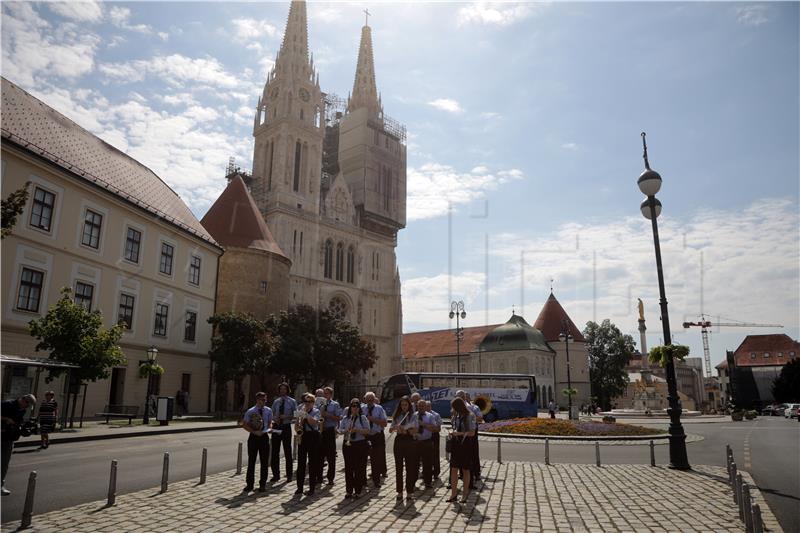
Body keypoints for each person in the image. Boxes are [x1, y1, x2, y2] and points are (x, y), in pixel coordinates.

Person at [1, 394, 36, 496]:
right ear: (24, 400)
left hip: (9, 438)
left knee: (4, 464)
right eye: (27, 405)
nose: (27, 408)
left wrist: (23, 429)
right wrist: (6, 419)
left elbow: (17, 423)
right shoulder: (7, 404)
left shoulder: (22, 410)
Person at [338, 398, 370, 498]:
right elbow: (340, 429)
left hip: (359, 444)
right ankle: (349, 491)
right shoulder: (345, 418)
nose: (354, 409)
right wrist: (344, 430)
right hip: (348, 444)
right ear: (350, 408)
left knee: (358, 468)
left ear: (359, 408)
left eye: (356, 406)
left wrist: (358, 430)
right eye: (353, 406)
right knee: (348, 468)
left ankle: (358, 491)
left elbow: (367, 431)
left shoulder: (363, 418)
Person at [241, 392, 273, 492]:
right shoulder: (250, 411)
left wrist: (270, 428)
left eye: (265, 399)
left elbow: (270, 422)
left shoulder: (268, 410)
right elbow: (244, 424)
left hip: (264, 437)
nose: (264, 401)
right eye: (262, 400)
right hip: (254, 437)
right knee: (251, 461)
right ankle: (249, 484)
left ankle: (262, 484)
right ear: (257, 400)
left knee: (264, 462)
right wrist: (254, 432)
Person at [447, 397, 476, 503]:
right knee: (453, 468)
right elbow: (456, 428)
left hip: (466, 445)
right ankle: (453, 494)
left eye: (453, 407)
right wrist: (452, 432)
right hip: (456, 444)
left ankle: (464, 495)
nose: (452, 409)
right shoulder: (456, 416)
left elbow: (472, 433)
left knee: (465, 469)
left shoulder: (470, 415)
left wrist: (458, 433)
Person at [389, 396, 418, 500]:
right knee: (398, 467)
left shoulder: (413, 415)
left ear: (409, 405)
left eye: (406, 405)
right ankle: (400, 491)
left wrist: (407, 431)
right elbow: (390, 430)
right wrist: (395, 428)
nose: (404, 407)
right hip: (399, 441)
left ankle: (409, 491)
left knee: (410, 467)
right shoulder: (397, 415)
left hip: (409, 441)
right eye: (402, 405)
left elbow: (415, 430)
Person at [294, 393, 321, 496]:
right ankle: (299, 487)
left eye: (309, 402)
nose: (307, 404)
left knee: (312, 463)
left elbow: (315, 423)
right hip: (303, 436)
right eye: (305, 401)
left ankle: (311, 488)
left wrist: (306, 414)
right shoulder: (300, 411)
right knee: (301, 463)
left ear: (313, 403)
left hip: (313, 436)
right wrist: (298, 428)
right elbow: (296, 426)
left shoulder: (316, 411)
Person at [270, 383, 297, 482]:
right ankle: (275, 475)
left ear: (287, 390)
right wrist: (274, 419)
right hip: (277, 427)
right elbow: (272, 413)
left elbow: (296, 414)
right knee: (274, 451)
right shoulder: (276, 401)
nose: (282, 391)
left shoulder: (292, 401)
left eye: (284, 389)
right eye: (281, 389)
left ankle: (289, 475)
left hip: (286, 427)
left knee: (287, 451)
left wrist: (286, 416)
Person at [362, 391, 388, 486]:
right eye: (368, 400)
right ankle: (362, 480)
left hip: (377, 435)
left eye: (372, 400)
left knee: (376, 459)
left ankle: (376, 480)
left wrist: (371, 419)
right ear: (365, 400)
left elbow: (384, 423)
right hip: (366, 435)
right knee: (363, 458)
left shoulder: (379, 408)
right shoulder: (362, 408)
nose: (370, 401)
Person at [318, 386, 341, 485]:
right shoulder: (318, 404)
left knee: (331, 456)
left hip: (330, 430)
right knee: (319, 455)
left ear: (331, 395)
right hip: (320, 431)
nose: (325, 395)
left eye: (327, 393)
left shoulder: (335, 405)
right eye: (324, 393)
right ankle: (318, 477)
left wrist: (328, 415)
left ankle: (330, 478)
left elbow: (339, 418)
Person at [416, 400, 440, 489]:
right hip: (416, 442)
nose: (421, 407)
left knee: (427, 463)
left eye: (422, 406)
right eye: (419, 406)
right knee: (415, 463)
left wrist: (424, 424)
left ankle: (428, 482)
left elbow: (435, 429)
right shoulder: (413, 416)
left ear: (425, 407)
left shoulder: (430, 416)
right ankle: (413, 480)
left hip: (427, 441)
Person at [463, 392, 483, 487]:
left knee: (474, 452)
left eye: (466, 397)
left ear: (469, 398)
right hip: (463, 431)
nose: (465, 399)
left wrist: (471, 417)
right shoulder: (459, 408)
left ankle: (476, 473)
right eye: (463, 398)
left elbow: (480, 418)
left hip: (473, 431)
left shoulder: (475, 407)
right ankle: (463, 473)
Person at [427, 401, 443, 480]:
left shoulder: (436, 415)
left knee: (435, 454)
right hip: (426, 437)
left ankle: (436, 472)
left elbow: (439, 429)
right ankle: (426, 472)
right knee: (426, 455)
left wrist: (429, 428)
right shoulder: (421, 415)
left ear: (430, 407)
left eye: (428, 406)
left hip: (434, 436)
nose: (426, 408)